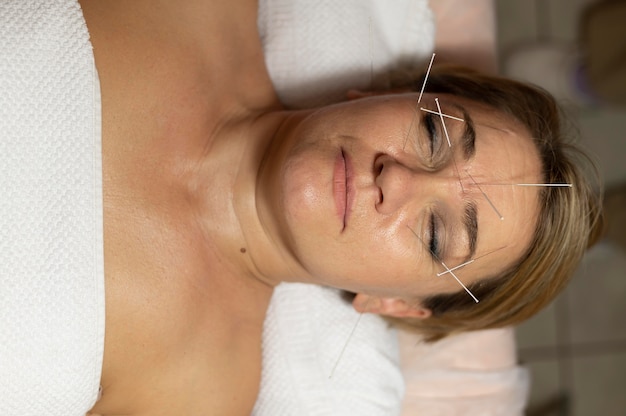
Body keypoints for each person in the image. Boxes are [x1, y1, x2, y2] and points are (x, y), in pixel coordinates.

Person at [72, 0, 603, 414]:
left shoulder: (191, 393)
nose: (398, 179)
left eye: (437, 235)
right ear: (386, 95)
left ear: (393, 304)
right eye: (431, 132)